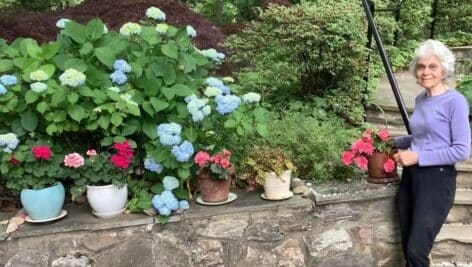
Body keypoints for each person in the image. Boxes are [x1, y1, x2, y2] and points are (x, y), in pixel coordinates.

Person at [393, 39, 471, 267]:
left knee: (418, 251)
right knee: (408, 246)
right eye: (421, 66)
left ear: (444, 69)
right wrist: (391, 142)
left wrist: (417, 156)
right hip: (411, 177)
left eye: (432, 66)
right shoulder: (421, 99)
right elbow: (424, 138)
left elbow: (461, 149)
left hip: (437, 180)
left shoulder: (455, 102)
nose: (426, 72)